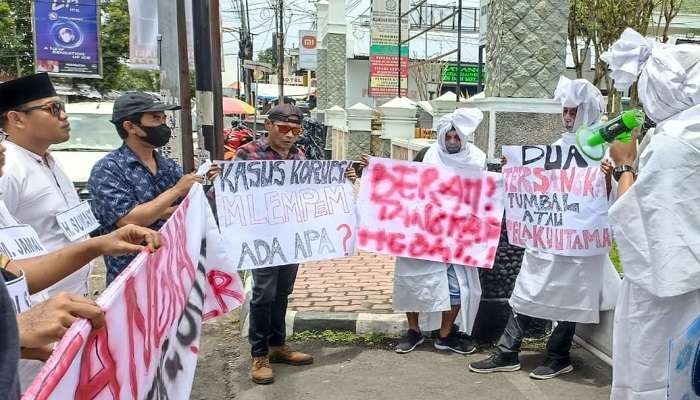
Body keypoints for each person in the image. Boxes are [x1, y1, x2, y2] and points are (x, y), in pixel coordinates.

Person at [469, 76, 621, 380]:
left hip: (580, 244)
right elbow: (539, 189)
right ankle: (507, 351)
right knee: (527, 289)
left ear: (587, 112)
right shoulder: (556, 148)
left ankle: (558, 355)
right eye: (565, 112)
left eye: (573, 112)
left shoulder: (603, 152)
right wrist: (515, 170)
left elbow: (616, 197)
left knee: (572, 297)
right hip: (548, 239)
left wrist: (607, 179)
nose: (567, 118)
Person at [601, 28, 700, 399]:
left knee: (658, 381)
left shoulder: (673, 143)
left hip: (670, 303)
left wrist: (626, 165)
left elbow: (646, 233)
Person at [236, 103, 356, 384]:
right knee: (263, 293)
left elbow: (312, 191)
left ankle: (278, 345)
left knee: (282, 292)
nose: (290, 135)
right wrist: (220, 182)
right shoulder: (248, 154)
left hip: (290, 237)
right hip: (262, 238)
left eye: (296, 129)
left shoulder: (299, 156)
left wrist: (342, 179)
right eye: (284, 129)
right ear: (269, 125)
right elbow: (231, 195)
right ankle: (259, 354)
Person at [381, 108, 486, 355]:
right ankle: (414, 331)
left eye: (456, 138)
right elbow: (403, 184)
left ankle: (445, 334)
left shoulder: (477, 160)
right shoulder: (426, 155)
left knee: (458, 288)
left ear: (464, 138)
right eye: (447, 137)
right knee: (414, 282)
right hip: (422, 235)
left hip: (456, 238)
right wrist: (375, 171)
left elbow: (487, 191)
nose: (451, 142)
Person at [87, 92, 219, 285]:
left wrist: (153, 212)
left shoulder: (168, 165)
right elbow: (128, 220)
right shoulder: (108, 169)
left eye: (164, 118)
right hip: (131, 277)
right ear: (130, 126)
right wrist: (174, 192)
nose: (163, 125)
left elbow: (187, 211)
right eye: (155, 118)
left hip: (173, 271)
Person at [0, 73, 93, 298]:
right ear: (17, 118)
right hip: (42, 311)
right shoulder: (9, 168)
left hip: (73, 301)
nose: (64, 115)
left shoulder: (47, 159)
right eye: (53, 108)